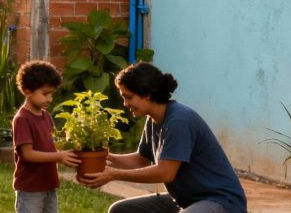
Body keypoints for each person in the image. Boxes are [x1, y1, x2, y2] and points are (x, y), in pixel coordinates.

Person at [79, 62, 247, 213]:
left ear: (147, 95)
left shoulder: (179, 120)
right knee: (121, 210)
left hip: (221, 202)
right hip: (188, 200)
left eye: (128, 97)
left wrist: (113, 174)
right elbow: (140, 160)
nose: (125, 104)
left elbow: (165, 173)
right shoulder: (154, 119)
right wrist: (107, 157)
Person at [11, 61, 81, 213]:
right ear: (26, 90)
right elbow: (27, 154)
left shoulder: (46, 116)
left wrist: (66, 153)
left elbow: (50, 145)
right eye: (44, 93)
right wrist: (58, 156)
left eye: (51, 94)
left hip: (48, 185)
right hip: (30, 189)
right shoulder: (22, 119)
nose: (49, 99)